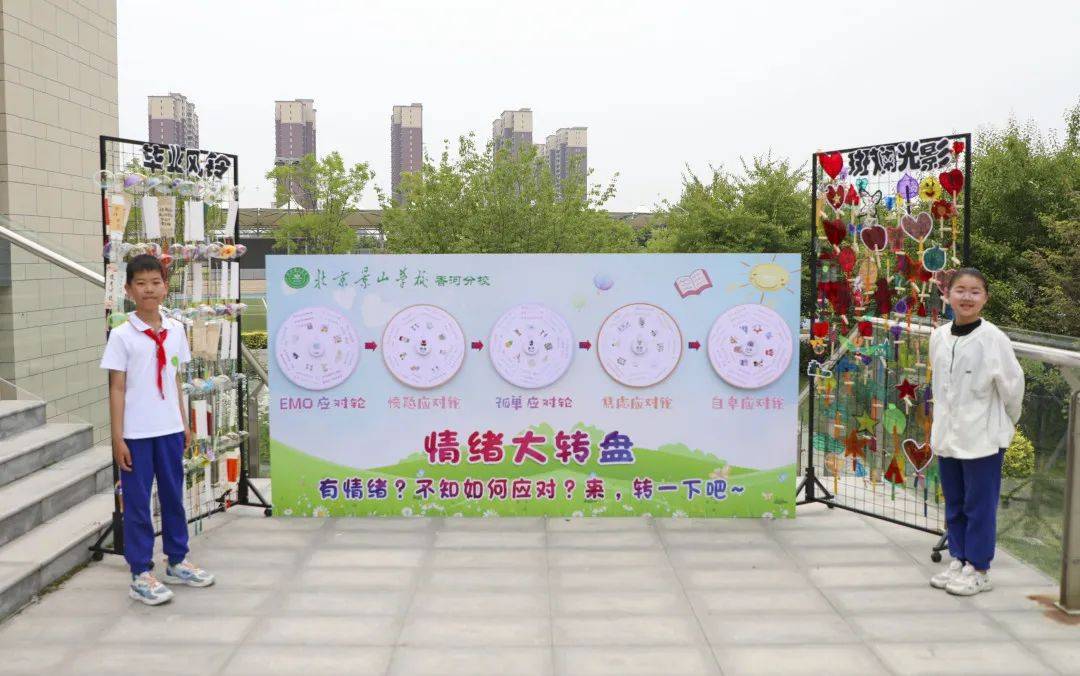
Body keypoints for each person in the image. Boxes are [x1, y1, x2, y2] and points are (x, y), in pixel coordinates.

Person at [100, 254, 215, 605]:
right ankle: (140, 572)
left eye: (155, 282)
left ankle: (177, 560)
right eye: (141, 283)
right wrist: (117, 438)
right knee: (137, 504)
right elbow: (117, 387)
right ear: (128, 290)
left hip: (169, 430)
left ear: (165, 287)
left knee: (173, 497)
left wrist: (184, 422)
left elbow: (175, 378)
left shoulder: (176, 329)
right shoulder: (122, 335)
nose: (149, 289)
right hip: (135, 434)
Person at [927, 268, 1024, 596]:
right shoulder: (939, 336)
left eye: (975, 291)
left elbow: (1013, 387)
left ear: (985, 298)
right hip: (947, 435)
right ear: (947, 295)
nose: (966, 297)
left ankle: (979, 568)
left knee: (979, 506)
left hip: (983, 437)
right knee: (954, 502)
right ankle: (959, 559)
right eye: (960, 290)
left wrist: (1005, 423)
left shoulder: (993, 339)